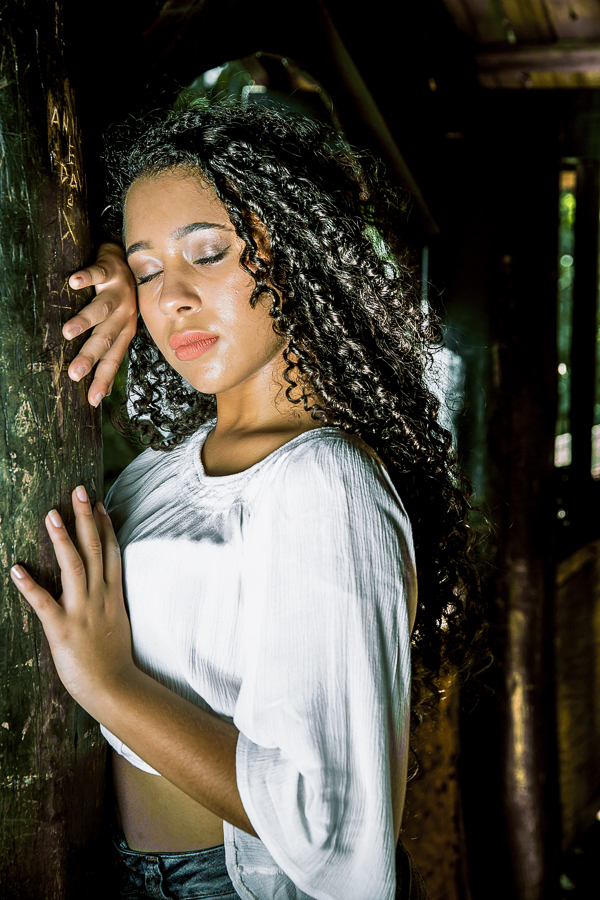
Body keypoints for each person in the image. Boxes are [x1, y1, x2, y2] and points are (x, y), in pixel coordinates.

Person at [11, 103, 482, 899]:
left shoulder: (323, 482)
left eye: (208, 253)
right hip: (118, 871)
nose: (173, 298)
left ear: (293, 255)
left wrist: (110, 685)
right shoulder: (160, 470)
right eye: (149, 271)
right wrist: (110, 269)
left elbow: (330, 822)